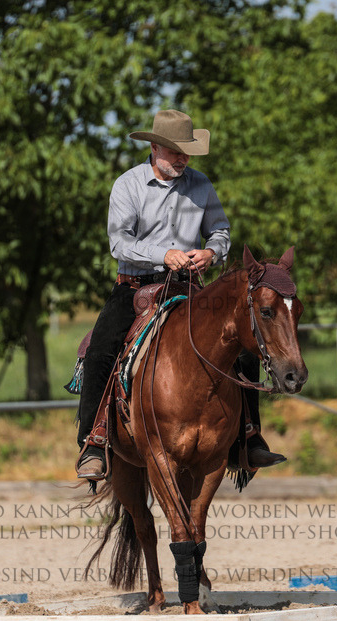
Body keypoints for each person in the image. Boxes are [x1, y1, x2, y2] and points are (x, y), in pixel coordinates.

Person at [75, 109, 286, 481]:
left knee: (243, 342)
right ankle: (94, 440)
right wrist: (163, 254)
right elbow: (119, 243)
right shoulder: (127, 185)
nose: (183, 159)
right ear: (155, 147)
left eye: (187, 152)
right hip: (136, 287)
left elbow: (220, 230)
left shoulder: (201, 185)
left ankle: (248, 438)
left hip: (189, 287)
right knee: (100, 351)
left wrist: (211, 252)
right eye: (176, 152)